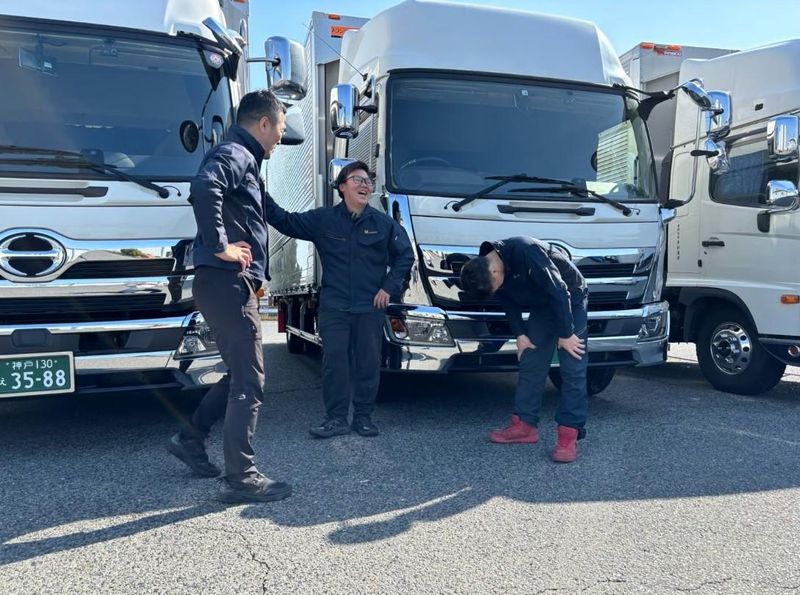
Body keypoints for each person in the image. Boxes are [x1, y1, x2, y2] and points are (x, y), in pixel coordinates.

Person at [166, 90, 291, 503]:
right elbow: (205, 187)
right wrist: (221, 245)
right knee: (250, 380)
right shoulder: (236, 153)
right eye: (280, 128)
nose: (281, 138)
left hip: (221, 285)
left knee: (240, 373)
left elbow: (277, 215)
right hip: (227, 282)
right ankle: (241, 478)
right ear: (264, 123)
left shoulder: (246, 162)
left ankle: (190, 438)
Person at [263, 160, 414, 438]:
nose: (365, 184)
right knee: (335, 363)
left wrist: (388, 288)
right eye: (357, 179)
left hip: (369, 307)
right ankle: (336, 419)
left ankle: (364, 418)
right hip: (335, 306)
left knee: (368, 363)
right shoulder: (324, 220)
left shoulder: (383, 224)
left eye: (367, 181)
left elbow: (405, 255)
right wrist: (259, 190)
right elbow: (285, 220)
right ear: (342, 187)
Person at [459, 236, 589, 463]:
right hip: (543, 304)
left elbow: (559, 290)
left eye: (494, 288)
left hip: (570, 298)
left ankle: (568, 434)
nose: (496, 292)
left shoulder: (527, 251)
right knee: (531, 359)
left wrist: (566, 334)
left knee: (572, 364)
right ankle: (525, 426)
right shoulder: (486, 266)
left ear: (494, 273)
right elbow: (507, 299)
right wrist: (520, 334)